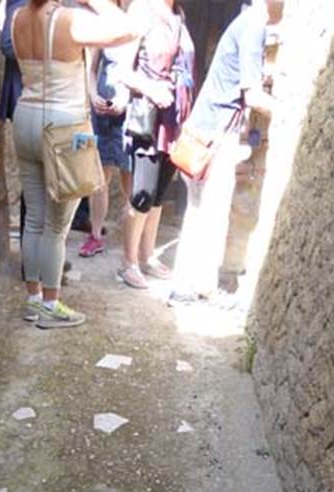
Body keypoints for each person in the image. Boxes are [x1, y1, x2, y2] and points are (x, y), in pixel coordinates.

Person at [11, 0, 140, 329]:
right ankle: (51, 306)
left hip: (24, 117)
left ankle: (32, 300)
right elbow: (128, 29)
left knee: (35, 218)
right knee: (57, 226)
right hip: (63, 125)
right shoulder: (71, 20)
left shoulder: (17, 18)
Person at [168, 0, 283, 307]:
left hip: (205, 130)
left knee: (200, 210)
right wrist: (288, 113)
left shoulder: (246, 21)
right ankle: (194, 287)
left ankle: (190, 286)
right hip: (215, 135)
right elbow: (252, 93)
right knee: (210, 211)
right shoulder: (254, 25)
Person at [115, 0, 195, 290]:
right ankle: (129, 262)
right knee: (142, 193)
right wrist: (151, 88)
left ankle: (147, 256)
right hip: (148, 119)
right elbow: (123, 71)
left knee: (159, 193)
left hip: (173, 120)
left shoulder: (177, 14)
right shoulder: (141, 11)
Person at [78, 5, 135, 259]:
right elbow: (90, 69)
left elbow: (141, 69)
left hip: (129, 109)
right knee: (99, 174)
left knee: (129, 173)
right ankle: (96, 234)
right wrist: (93, 95)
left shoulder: (137, 20)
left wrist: (126, 95)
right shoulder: (101, 22)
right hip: (102, 110)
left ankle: (133, 240)